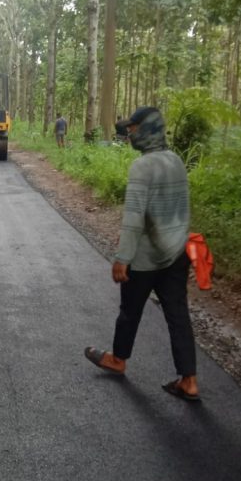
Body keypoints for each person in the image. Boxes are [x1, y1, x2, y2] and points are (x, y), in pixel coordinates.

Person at [84, 106, 200, 403]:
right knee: (178, 315)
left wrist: (123, 257)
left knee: (130, 312)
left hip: (146, 258)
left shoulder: (142, 167)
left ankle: (118, 359)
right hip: (177, 253)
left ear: (147, 130)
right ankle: (188, 380)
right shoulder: (176, 161)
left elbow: (134, 217)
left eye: (133, 128)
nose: (130, 133)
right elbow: (182, 209)